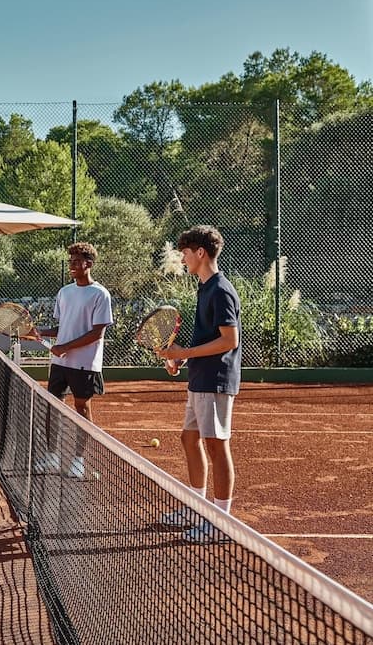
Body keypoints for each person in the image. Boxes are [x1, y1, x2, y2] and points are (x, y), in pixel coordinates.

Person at [157, 225, 242, 543]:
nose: (182, 259)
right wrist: (181, 360)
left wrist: (185, 353)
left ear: (200, 253)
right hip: (200, 378)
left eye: (186, 253)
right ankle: (196, 508)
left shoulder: (220, 290)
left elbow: (229, 340)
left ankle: (221, 521)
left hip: (215, 381)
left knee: (216, 447)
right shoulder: (205, 288)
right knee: (189, 439)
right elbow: (207, 337)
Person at [31, 242, 113, 479]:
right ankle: (51, 457)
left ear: (89, 264)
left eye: (77, 262)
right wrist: (40, 332)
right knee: (52, 406)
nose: (72, 266)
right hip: (60, 364)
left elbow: (97, 333)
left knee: (82, 408)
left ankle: (78, 461)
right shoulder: (64, 292)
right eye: (71, 262)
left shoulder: (100, 294)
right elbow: (63, 327)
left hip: (85, 363)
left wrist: (65, 347)